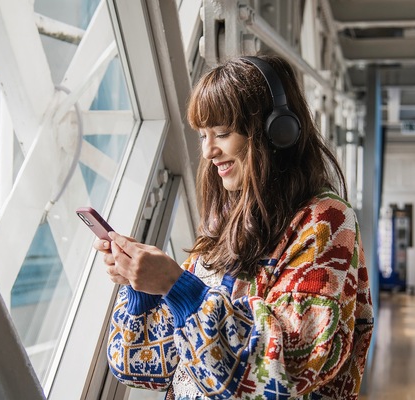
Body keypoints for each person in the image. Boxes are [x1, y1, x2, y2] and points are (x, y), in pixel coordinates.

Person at [94, 55, 374, 399]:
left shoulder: (325, 222)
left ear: (277, 132)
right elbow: (147, 368)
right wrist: (144, 288)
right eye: (202, 135)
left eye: (222, 133)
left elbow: (287, 369)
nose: (209, 151)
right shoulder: (224, 220)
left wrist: (177, 286)